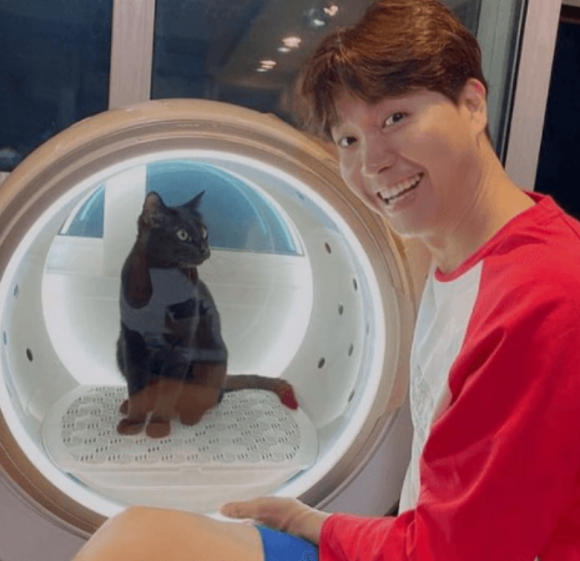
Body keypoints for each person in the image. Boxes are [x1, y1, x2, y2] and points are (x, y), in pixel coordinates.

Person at [73, 0, 580, 559]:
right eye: (348, 140)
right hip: (424, 540)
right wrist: (312, 521)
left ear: (473, 104)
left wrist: (324, 528)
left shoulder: (542, 298)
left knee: (133, 545)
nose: (372, 163)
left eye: (395, 118)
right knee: (135, 533)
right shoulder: (458, 255)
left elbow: (452, 552)